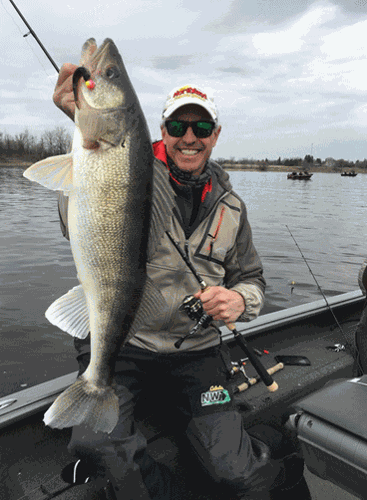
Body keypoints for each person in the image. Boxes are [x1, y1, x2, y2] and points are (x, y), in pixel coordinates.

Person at [53, 65, 312, 500]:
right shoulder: (126, 173)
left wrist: (238, 299)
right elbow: (75, 220)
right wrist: (84, 124)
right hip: (125, 347)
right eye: (177, 125)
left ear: (216, 133)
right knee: (95, 443)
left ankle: (269, 442)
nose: (189, 136)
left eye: (201, 126)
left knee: (232, 470)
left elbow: (252, 279)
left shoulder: (233, 207)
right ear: (162, 129)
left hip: (197, 353)